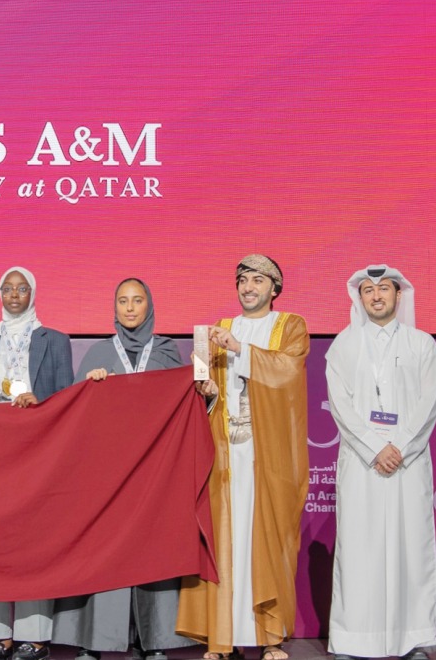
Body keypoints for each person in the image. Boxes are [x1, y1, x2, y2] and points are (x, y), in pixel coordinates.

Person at [53, 277, 195, 660]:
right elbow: (76, 416)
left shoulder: (167, 352)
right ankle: (96, 640)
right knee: (103, 552)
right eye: (122, 301)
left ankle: (154, 641)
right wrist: (91, 387)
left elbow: (183, 409)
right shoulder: (98, 354)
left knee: (152, 551)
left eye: (137, 300)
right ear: (113, 308)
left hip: (154, 474)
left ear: (149, 305)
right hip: (107, 477)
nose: (130, 308)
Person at [176, 254, 309, 660]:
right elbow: (207, 388)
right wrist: (209, 391)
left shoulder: (291, 326)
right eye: (242, 281)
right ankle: (222, 638)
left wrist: (240, 349)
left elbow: (288, 372)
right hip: (226, 454)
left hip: (268, 455)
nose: (248, 287)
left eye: (257, 280)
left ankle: (270, 638)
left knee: (267, 540)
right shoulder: (219, 330)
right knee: (224, 540)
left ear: (274, 287)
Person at [324, 266, 436, 660]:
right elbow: (340, 405)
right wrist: (376, 447)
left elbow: (429, 403)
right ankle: (355, 639)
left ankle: (413, 638)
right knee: (360, 550)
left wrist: (400, 447)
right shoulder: (342, 345)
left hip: (408, 464)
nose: (376, 296)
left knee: (411, 549)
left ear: (398, 295)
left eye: (384, 289)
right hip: (362, 464)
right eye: (369, 290)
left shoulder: (422, 344)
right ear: (359, 298)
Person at [0, 267, 74, 660]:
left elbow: (65, 400)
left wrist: (39, 405)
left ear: (33, 292)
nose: (13, 295)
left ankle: (34, 635)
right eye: (6, 288)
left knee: (34, 539)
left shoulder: (55, 340)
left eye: (21, 288)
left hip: (39, 446)